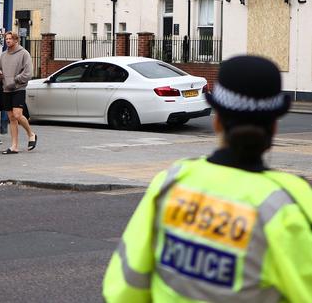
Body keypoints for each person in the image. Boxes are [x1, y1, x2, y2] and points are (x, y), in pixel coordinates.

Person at [102, 55, 312, 302]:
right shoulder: (289, 204)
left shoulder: (171, 183)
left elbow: (123, 289)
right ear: (274, 127)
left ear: (217, 121)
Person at [0, 30, 37, 154]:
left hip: (18, 88)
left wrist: (14, 81)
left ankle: (31, 134)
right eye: (6, 39)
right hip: (6, 89)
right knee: (11, 118)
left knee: (18, 115)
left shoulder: (24, 54)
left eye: (10, 39)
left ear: (16, 40)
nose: (7, 41)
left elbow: (28, 73)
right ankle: (14, 146)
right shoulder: (3, 55)